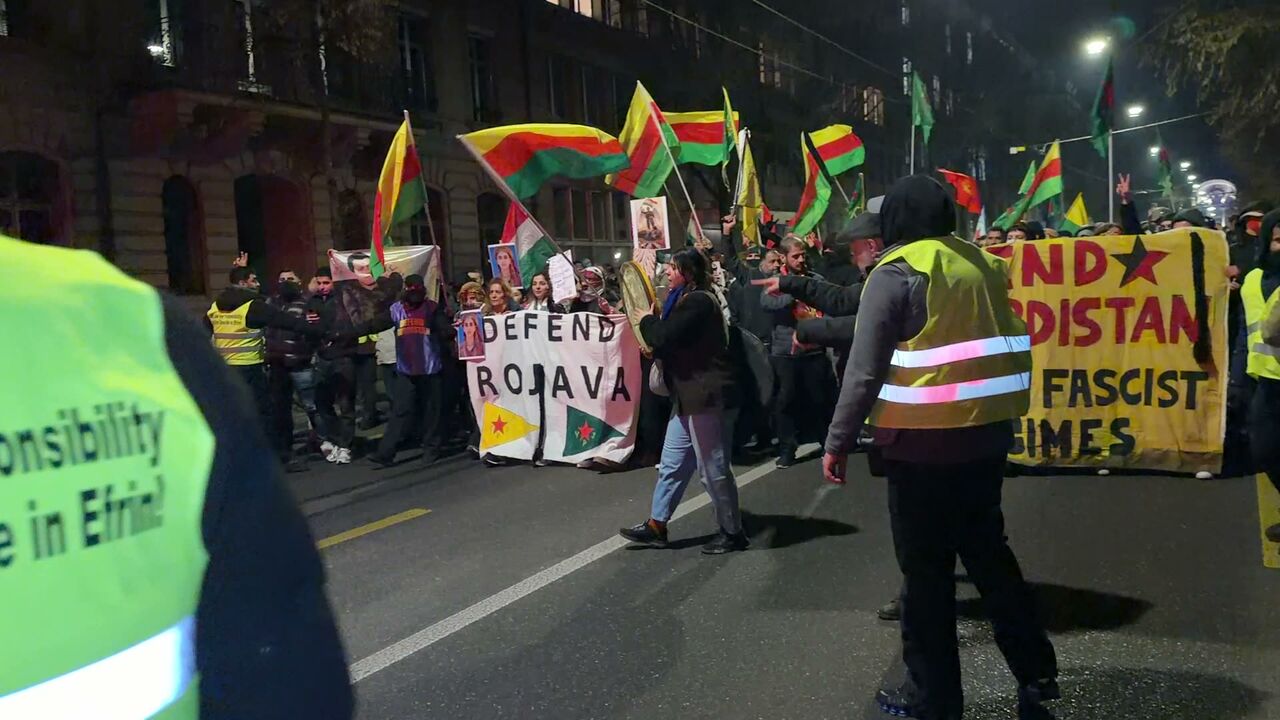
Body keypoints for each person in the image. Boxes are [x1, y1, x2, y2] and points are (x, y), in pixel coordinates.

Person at [0, 235, 353, 719]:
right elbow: (284, 649)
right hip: (245, 377)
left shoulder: (175, 316)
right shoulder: (122, 314)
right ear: (248, 284)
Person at [822, 176, 1058, 720]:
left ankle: (934, 699)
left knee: (926, 580)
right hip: (987, 438)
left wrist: (837, 441)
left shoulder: (897, 272)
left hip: (921, 449)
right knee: (991, 560)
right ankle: (1036, 673)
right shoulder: (979, 264)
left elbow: (862, 372)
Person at [619, 248, 747, 554]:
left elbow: (663, 335)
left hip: (704, 395)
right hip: (687, 395)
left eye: (673, 268)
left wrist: (647, 320)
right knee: (673, 465)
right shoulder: (684, 301)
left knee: (712, 469)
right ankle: (656, 525)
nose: (667, 272)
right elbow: (676, 343)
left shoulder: (699, 302)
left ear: (688, 273)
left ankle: (732, 532)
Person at [205, 259, 327, 431]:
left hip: (226, 368)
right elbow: (286, 322)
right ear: (243, 283)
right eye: (253, 280)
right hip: (249, 367)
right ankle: (270, 451)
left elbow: (204, 331)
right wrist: (321, 330)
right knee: (263, 412)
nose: (258, 283)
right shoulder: (253, 306)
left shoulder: (215, 306)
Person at [761, 235, 838, 468]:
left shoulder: (815, 279)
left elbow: (830, 301)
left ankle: (828, 443)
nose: (801, 260)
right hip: (786, 351)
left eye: (803, 255)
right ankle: (787, 448)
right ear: (783, 257)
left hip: (814, 348)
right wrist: (794, 290)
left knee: (820, 399)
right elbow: (767, 304)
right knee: (786, 401)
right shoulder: (776, 281)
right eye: (795, 256)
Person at [313, 261, 400, 464]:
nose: (322, 286)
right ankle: (333, 439)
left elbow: (378, 303)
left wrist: (390, 280)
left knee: (347, 403)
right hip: (324, 357)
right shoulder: (314, 301)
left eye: (327, 282)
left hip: (347, 355)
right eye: (319, 282)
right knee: (322, 403)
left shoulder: (348, 296)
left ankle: (345, 445)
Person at [368, 274, 454, 468]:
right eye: (410, 288)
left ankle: (431, 448)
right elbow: (374, 325)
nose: (414, 292)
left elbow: (444, 329)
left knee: (432, 411)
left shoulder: (432, 308)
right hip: (406, 369)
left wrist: (447, 328)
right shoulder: (396, 310)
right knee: (400, 410)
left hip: (430, 368)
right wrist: (346, 333)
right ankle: (385, 452)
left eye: (417, 287)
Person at [1236, 208, 1280, 544]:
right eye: (1279, 239)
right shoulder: (1252, 280)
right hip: (1265, 380)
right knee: (1265, 450)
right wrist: (1239, 375)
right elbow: (1244, 330)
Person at [265, 268, 322, 473]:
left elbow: (312, 330)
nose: (285, 282)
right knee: (280, 410)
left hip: (301, 363)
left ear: (299, 282)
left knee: (312, 406)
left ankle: (321, 441)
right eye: (282, 279)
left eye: (290, 279)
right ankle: (285, 450)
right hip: (277, 363)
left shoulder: (306, 303)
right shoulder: (270, 304)